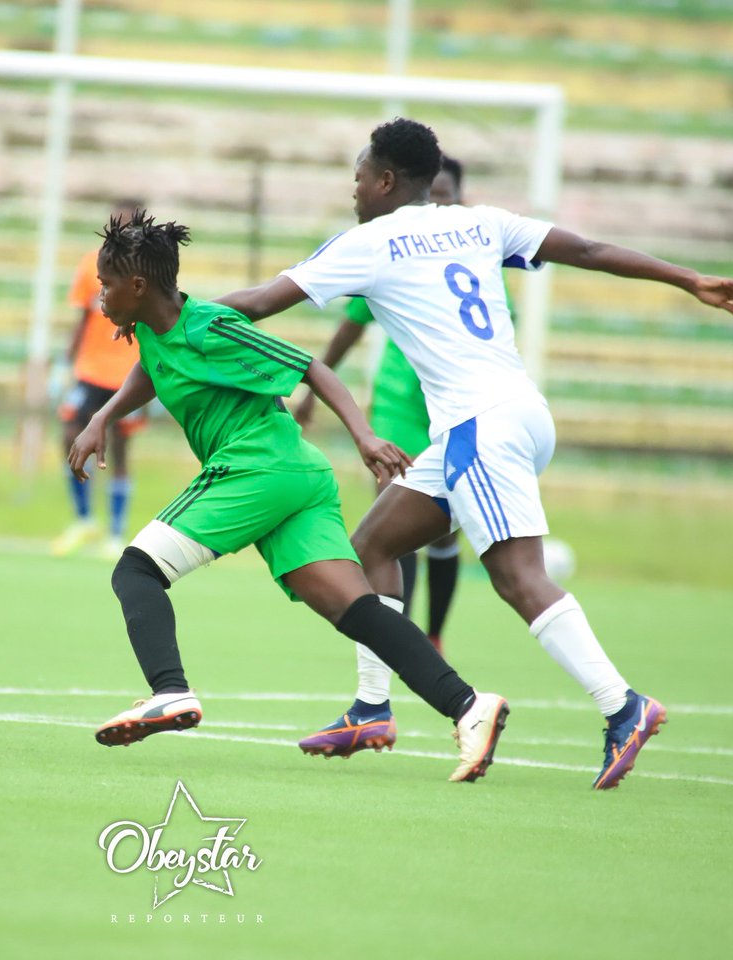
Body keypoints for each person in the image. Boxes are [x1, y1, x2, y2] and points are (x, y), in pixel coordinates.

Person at [214, 117, 733, 789]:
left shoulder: (370, 241)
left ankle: (623, 705)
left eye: (359, 176)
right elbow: (586, 249)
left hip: (480, 425)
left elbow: (260, 302)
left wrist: (171, 315)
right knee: (374, 548)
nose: (353, 188)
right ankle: (370, 708)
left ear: (386, 180)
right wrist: (686, 279)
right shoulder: (478, 222)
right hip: (516, 416)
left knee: (517, 578)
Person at [69, 209, 510, 785]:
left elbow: (312, 368)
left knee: (136, 572)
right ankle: (468, 706)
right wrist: (102, 415)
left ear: (138, 285)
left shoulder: (211, 326)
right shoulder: (153, 330)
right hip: (297, 479)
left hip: (258, 467)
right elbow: (152, 370)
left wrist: (365, 437)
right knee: (356, 613)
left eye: (105, 285)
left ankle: (168, 692)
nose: (99, 295)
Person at [291, 157, 476, 757]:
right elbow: (348, 327)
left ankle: (430, 641)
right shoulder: (388, 257)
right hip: (398, 409)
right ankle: (387, 678)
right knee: (388, 538)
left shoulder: (469, 260)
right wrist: (308, 392)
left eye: (448, 197)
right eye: (434, 194)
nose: (438, 207)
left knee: (448, 544)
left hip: (455, 415)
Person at [52, 199, 147, 560]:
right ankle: (84, 519)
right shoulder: (90, 264)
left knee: (120, 449)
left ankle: (117, 533)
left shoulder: (147, 270)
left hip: (129, 375)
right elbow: (80, 319)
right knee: (68, 435)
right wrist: (65, 365)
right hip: (89, 371)